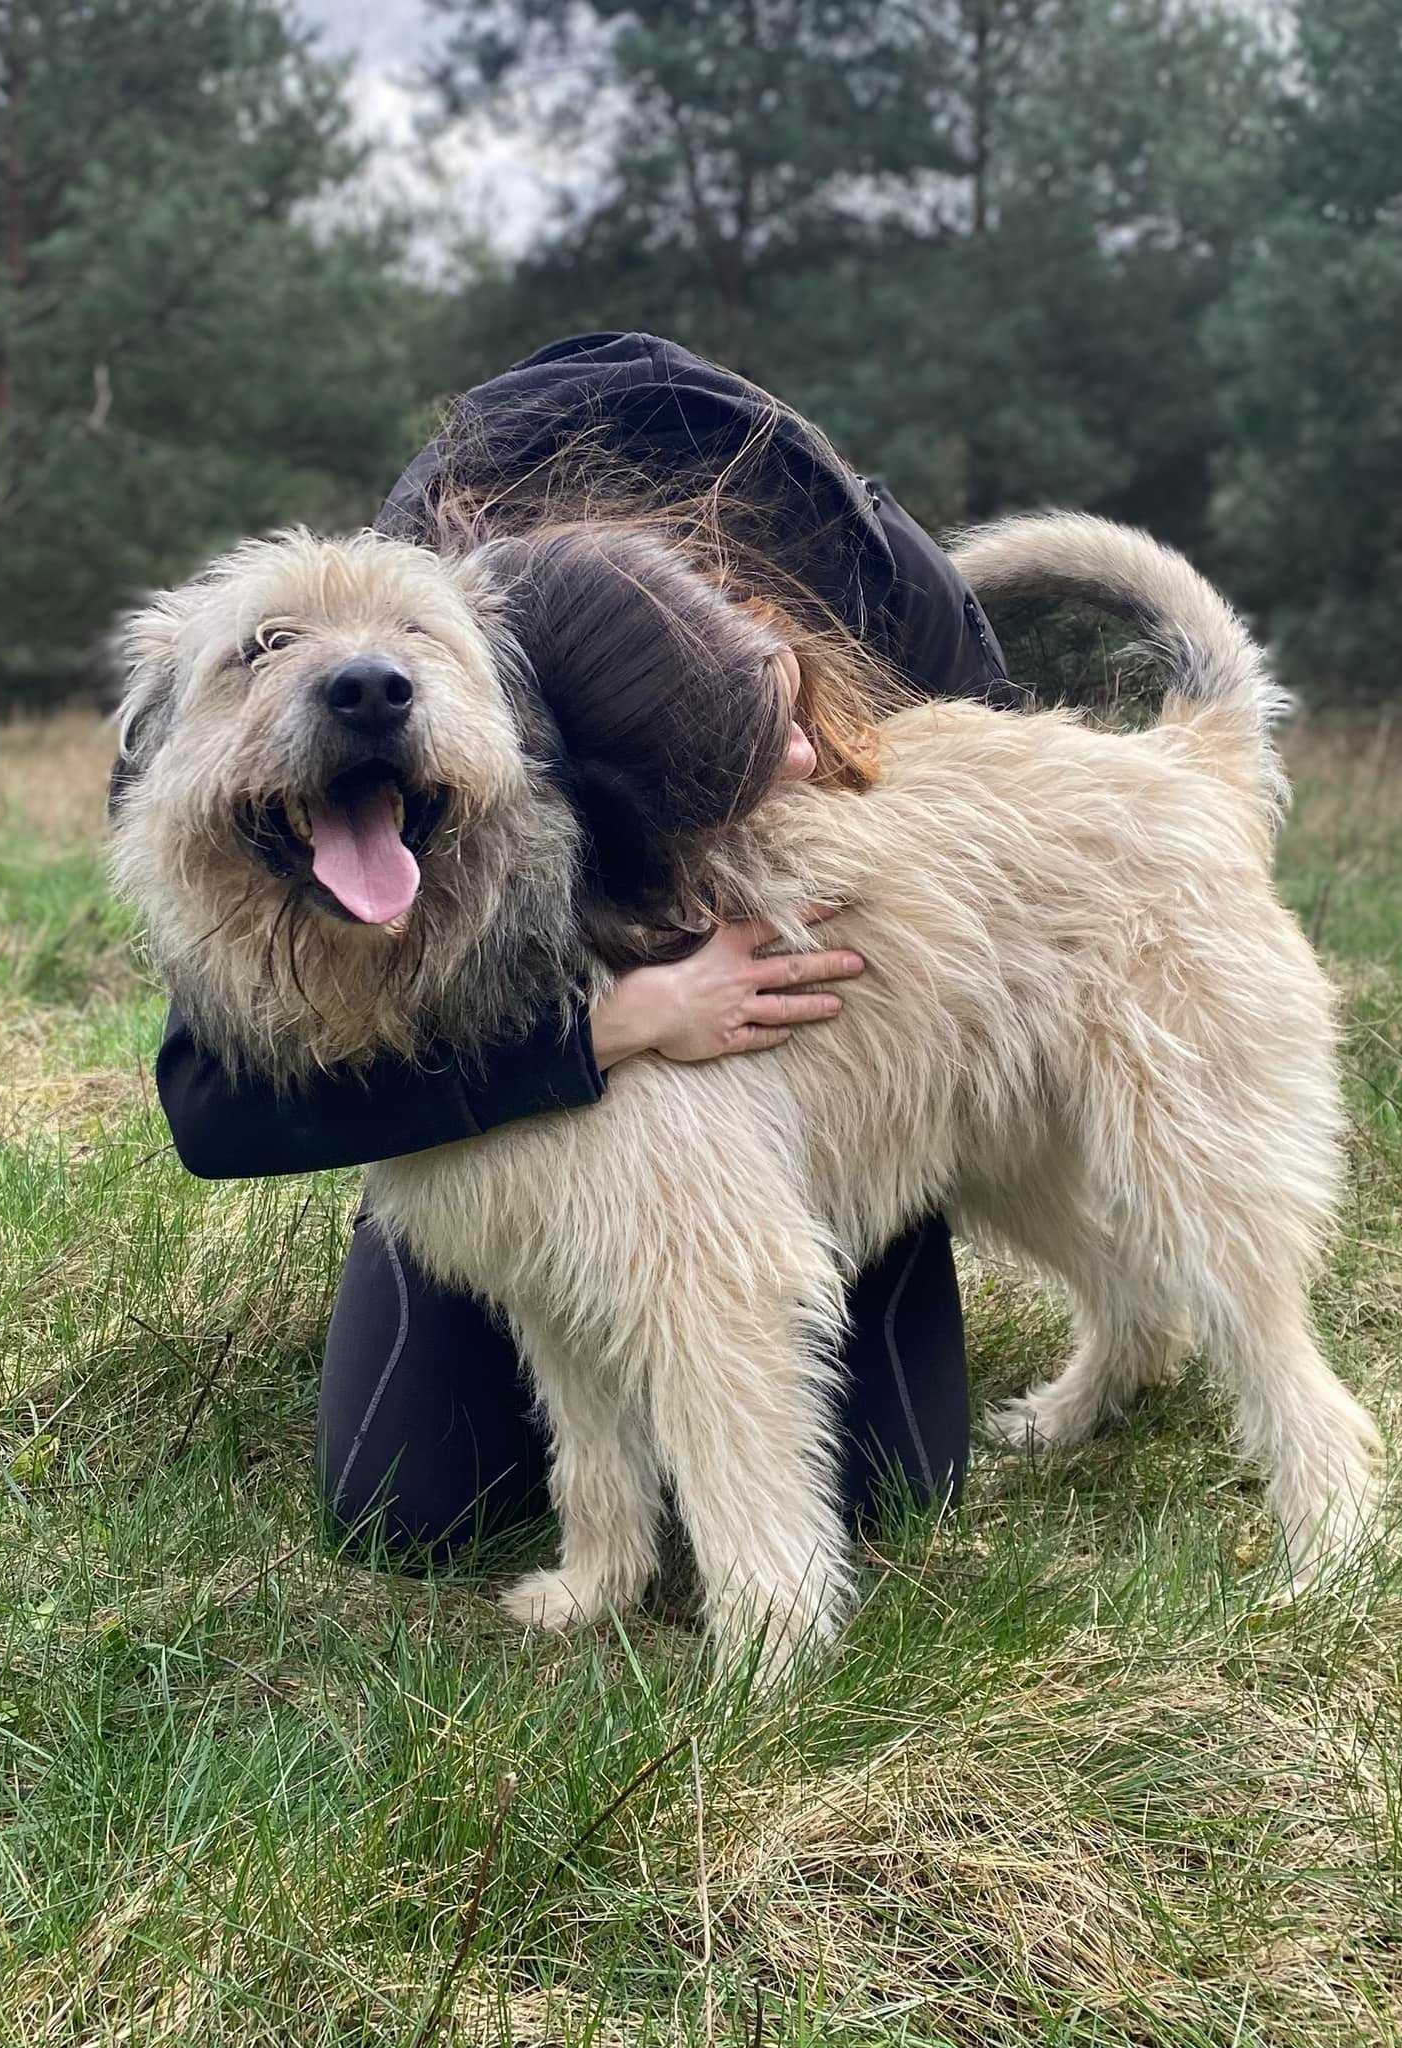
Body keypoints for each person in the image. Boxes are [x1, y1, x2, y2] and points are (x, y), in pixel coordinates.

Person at [153, 332, 1015, 1568]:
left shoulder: (885, 580)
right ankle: (609, 1506)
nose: (805, 771)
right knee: (413, 1507)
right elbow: (209, 1104)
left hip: (810, 1109)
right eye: (750, 761)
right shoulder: (427, 620)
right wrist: (614, 1023)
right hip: (481, 1106)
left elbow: (998, 828)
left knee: (888, 1489)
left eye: (796, 726)